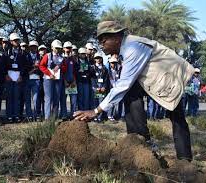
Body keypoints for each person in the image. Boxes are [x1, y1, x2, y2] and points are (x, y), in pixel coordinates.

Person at [74, 21, 195, 161]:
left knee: (177, 117)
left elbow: (123, 84)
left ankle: (184, 160)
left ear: (117, 38)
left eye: (103, 40)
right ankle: (139, 143)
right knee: (130, 95)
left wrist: (96, 111)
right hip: (152, 80)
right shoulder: (124, 50)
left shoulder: (133, 48)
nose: (101, 45)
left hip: (169, 77)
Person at [5, 33, 27, 123]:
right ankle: (9, 115)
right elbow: (3, 65)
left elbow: (24, 65)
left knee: (17, 97)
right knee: (9, 97)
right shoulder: (6, 52)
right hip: (9, 76)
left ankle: (17, 115)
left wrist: (21, 75)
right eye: (14, 40)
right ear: (11, 41)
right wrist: (6, 75)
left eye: (17, 40)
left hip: (18, 77)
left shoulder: (22, 52)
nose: (16, 42)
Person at [39, 40, 64, 121]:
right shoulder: (47, 56)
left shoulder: (61, 57)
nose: (57, 49)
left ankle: (54, 117)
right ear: (52, 47)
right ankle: (47, 117)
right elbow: (41, 66)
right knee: (48, 98)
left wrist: (60, 68)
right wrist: (49, 74)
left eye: (59, 48)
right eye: (56, 48)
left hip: (58, 80)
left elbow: (64, 68)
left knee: (56, 98)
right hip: (48, 80)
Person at [24, 40, 42, 122]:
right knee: (27, 98)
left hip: (36, 79)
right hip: (27, 78)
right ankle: (29, 115)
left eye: (35, 46)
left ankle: (36, 114)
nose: (33, 48)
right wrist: (33, 67)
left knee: (36, 98)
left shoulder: (40, 56)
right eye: (32, 46)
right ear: (29, 47)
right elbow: (24, 67)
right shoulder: (25, 56)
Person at [90, 52, 109, 122]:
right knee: (95, 102)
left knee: (101, 102)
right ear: (94, 59)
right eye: (96, 58)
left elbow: (106, 78)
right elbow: (92, 78)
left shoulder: (105, 68)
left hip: (102, 87)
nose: (98, 59)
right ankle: (95, 117)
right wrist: (95, 86)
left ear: (101, 59)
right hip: (95, 86)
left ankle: (100, 117)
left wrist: (104, 86)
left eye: (99, 58)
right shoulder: (92, 67)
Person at [61, 41, 78, 120]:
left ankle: (73, 115)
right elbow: (61, 71)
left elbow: (75, 71)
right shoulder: (61, 58)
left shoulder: (73, 59)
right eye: (67, 48)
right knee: (63, 100)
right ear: (64, 48)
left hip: (72, 83)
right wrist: (65, 81)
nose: (68, 49)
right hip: (64, 83)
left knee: (73, 100)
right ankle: (64, 115)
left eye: (70, 48)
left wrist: (74, 81)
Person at [107, 55, 124, 121]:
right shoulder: (107, 70)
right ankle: (109, 115)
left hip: (118, 87)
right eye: (112, 63)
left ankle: (118, 115)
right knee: (111, 101)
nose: (113, 64)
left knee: (119, 101)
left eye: (114, 63)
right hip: (111, 88)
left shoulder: (119, 69)